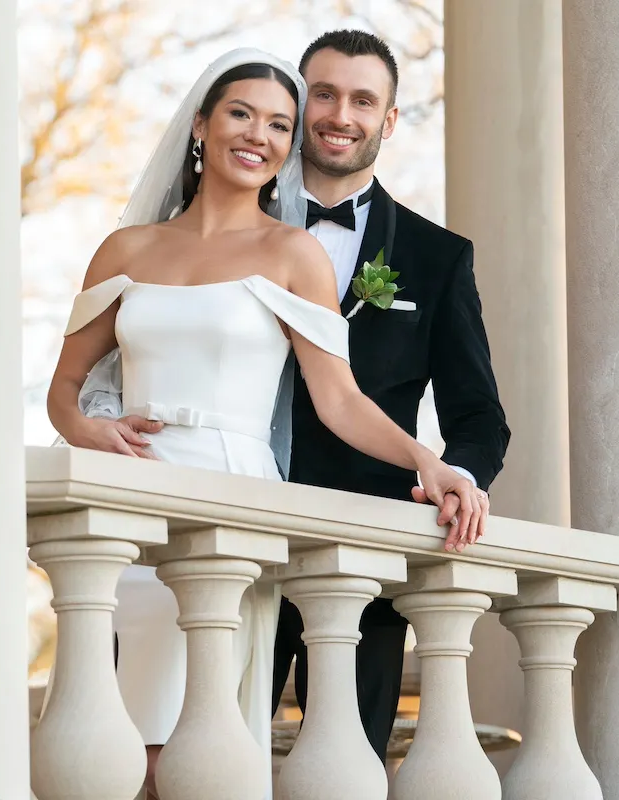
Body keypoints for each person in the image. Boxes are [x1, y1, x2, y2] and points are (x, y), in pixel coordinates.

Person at [45, 47, 484, 800]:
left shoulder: (293, 254)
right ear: (201, 126)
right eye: (242, 114)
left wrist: (427, 460)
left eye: (281, 124)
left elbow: (337, 399)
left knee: (197, 744)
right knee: (115, 746)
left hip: (232, 499)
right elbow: (65, 388)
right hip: (134, 502)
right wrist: (88, 434)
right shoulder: (126, 250)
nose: (261, 135)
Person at [270, 30, 510, 763]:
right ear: (299, 100)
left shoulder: (438, 258)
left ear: (390, 118)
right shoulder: (228, 227)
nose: (341, 113)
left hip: (368, 547)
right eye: (325, 92)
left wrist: (454, 481)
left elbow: (479, 416)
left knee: (350, 762)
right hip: (230, 510)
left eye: (363, 99)